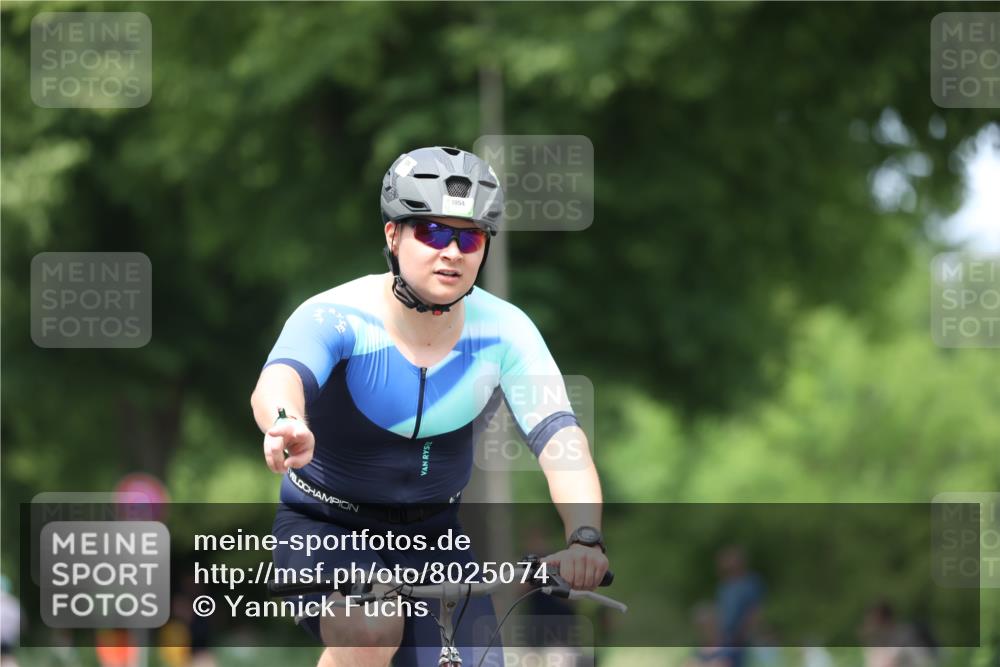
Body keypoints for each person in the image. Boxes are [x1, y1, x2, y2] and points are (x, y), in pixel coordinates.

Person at [250, 146, 609, 667]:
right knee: (372, 626)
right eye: (433, 232)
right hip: (326, 527)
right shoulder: (338, 314)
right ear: (393, 236)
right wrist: (285, 423)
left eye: (469, 237)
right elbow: (279, 379)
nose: (452, 251)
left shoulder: (506, 330)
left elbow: (561, 440)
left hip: (434, 537)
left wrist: (585, 535)